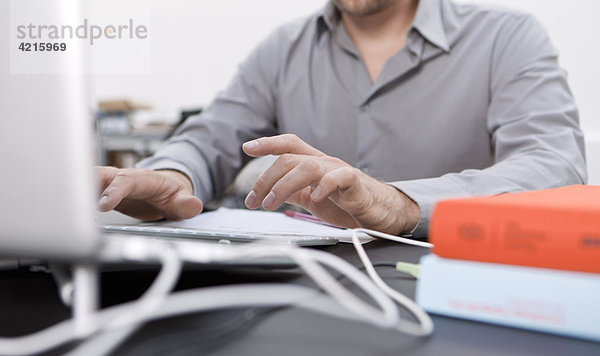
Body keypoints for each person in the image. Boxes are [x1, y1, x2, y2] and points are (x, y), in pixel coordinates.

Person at [97, 0, 586, 238]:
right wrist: (169, 177)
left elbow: (554, 164)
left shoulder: (507, 36)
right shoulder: (282, 49)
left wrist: (400, 204)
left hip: (453, 296)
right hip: (307, 299)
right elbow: (209, 139)